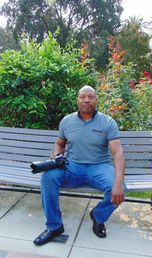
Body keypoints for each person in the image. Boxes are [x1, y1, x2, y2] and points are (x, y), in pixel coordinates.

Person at [33, 85, 126, 246]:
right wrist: (57, 155)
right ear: (77, 99)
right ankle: (55, 226)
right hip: (72, 167)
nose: (87, 100)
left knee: (120, 187)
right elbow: (59, 143)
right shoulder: (67, 121)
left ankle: (98, 216)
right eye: (83, 97)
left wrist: (118, 181)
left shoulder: (108, 122)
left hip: (99, 166)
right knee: (48, 177)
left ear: (96, 100)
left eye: (91, 97)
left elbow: (117, 153)